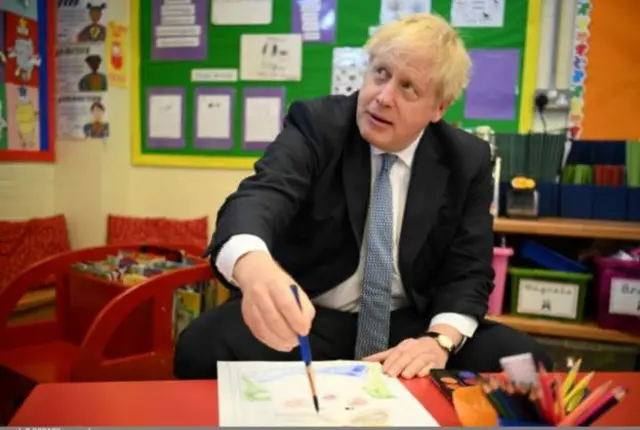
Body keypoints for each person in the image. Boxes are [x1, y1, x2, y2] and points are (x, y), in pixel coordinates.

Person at [174, 13, 551, 380]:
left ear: (439, 107)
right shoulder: (317, 125)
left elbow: (469, 270)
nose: (383, 97)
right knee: (201, 346)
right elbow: (261, 196)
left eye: (408, 87)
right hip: (309, 320)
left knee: (526, 362)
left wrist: (438, 342)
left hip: (409, 325)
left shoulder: (466, 159)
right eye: (381, 74)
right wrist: (255, 268)